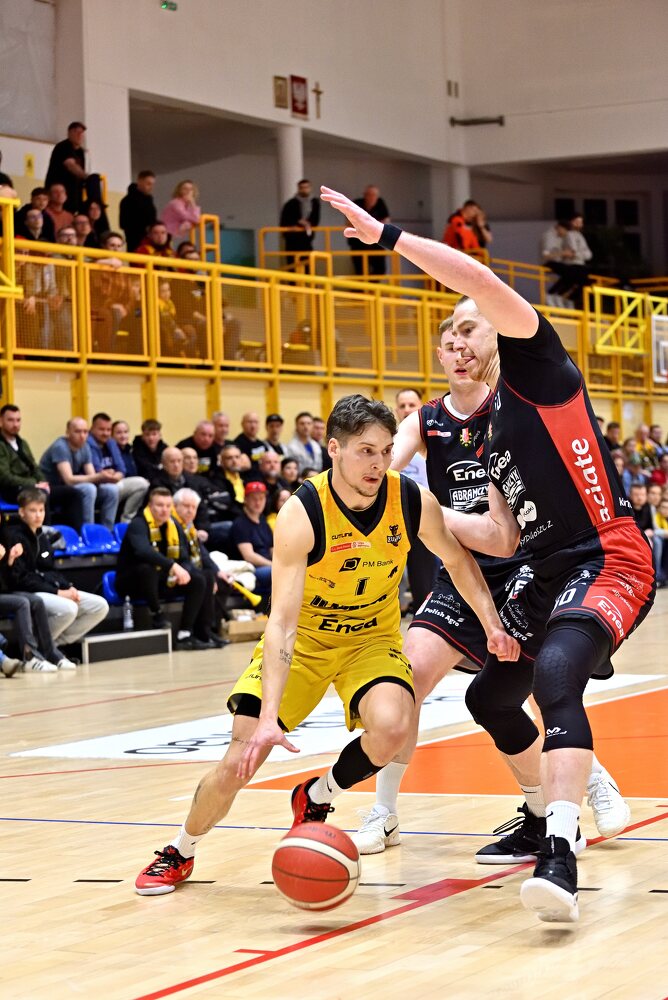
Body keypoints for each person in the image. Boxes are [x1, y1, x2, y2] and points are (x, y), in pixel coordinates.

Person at [322, 184, 655, 923]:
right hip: (538, 567)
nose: (462, 338)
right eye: (451, 333)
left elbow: (475, 277)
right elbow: (500, 534)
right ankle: (537, 812)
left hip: (608, 554)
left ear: (500, 336)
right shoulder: (485, 429)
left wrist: (388, 237)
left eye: (472, 326)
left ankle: (561, 852)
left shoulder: (541, 369)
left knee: (558, 674)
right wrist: (404, 507)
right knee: (489, 696)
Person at [134, 394, 518, 895]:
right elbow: (281, 624)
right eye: (365, 451)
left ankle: (318, 794)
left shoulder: (409, 499)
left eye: (385, 451)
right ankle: (180, 850)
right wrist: (269, 717)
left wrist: (491, 624)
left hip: (371, 640)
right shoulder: (302, 512)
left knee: (394, 727)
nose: (378, 463)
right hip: (307, 642)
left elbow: (458, 560)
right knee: (240, 760)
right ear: (334, 449)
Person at [355, 318, 630, 856]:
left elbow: (504, 531)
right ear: (439, 356)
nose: (460, 354)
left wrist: (424, 513)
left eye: (468, 342)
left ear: (486, 349)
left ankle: (592, 781)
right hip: (461, 572)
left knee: (531, 689)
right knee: (406, 681)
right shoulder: (426, 420)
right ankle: (384, 812)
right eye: (449, 346)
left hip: (522, 569)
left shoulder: (510, 411)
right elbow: (385, 464)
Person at [7, 488, 109, 665]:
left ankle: (50, 647)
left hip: (49, 588)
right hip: (28, 592)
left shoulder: (42, 536)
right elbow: (23, 578)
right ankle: (38, 650)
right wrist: (57, 592)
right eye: (33, 510)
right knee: (68, 609)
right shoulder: (13, 536)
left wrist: (67, 586)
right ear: (22, 512)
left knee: (99, 606)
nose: (38, 515)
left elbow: (50, 569)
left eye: (41, 510)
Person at [115, 487, 212, 648]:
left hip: (161, 581)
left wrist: (184, 571)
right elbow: (143, 551)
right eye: (160, 505)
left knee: (199, 579)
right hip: (131, 583)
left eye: (168, 506)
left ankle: (185, 634)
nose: (164, 510)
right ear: (150, 506)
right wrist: (172, 566)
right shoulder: (138, 524)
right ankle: (157, 615)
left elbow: (183, 557)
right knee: (148, 568)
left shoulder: (173, 525)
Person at [0, 404, 83, 530]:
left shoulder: (22, 443)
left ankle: (74, 534)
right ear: (1, 421)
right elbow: (5, 477)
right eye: (10, 420)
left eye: (18, 420)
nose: (15, 424)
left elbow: (35, 467)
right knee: (41, 494)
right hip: (12, 489)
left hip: (32, 486)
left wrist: (43, 482)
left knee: (73, 493)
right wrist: (34, 484)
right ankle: (44, 533)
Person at [172, 488, 231, 647]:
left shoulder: (190, 527)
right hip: (175, 574)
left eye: (193, 507)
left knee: (222, 581)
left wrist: (218, 571)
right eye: (186, 506)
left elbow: (203, 554)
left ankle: (208, 630)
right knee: (204, 578)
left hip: (190, 571)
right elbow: (182, 558)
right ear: (175, 506)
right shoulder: (173, 525)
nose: (190, 510)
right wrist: (209, 576)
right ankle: (188, 632)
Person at [40, 417, 119, 529]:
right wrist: (99, 476)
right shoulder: (60, 447)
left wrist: (104, 476)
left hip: (71, 488)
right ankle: (88, 530)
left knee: (111, 490)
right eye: (77, 431)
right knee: (89, 488)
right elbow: (69, 480)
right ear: (68, 432)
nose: (82, 436)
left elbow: (92, 476)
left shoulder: (85, 446)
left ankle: (107, 531)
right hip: (53, 488)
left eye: (85, 432)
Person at [0, 540, 64, 673]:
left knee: (36, 601)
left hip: (5, 592)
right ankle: (30, 657)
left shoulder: (4, 541)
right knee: (22, 603)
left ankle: (50, 653)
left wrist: (10, 560)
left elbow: (9, 582)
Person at [88, 412, 149, 522]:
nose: (105, 433)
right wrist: (110, 476)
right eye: (101, 429)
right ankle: (107, 528)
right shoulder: (88, 444)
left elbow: (121, 468)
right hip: (98, 486)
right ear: (92, 429)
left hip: (114, 481)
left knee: (143, 483)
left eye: (108, 430)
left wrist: (116, 476)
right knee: (112, 489)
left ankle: (127, 520)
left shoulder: (111, 442)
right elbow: (97, 471)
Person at [44, 121, 102, 213]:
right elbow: (71, 165)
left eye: (81, 133)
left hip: (74, 195)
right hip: (59, 192)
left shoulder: (81, 152)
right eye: (76, 132)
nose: (80, 135)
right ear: (69, 133)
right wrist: (87, 177)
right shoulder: (63, 146)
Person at [229, 481, 273, 597]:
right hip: (250, 569)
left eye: (261, 498)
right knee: (277, 573)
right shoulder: (240, 524)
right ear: (246, 500)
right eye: (254, 499)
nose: (258, 502)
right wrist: (273, 565)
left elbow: (272, 549)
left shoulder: (263, 522)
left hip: (268, 566)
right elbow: (249, 556)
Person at [347, 185, 390, 276]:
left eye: (374, 195)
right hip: (358, 243)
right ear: (364, 195)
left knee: (380, 270)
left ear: (377, 197)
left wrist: (370, 227)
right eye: (369, 195)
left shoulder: (380, 204)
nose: (371, 197)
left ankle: (371, 285)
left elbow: (386, 221)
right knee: (360, 272)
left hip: (377, 243)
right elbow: (349, 222)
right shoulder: (357, 204)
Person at [279, 179, 320, 264]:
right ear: (298, 189)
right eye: (302, 188)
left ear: (310, 188)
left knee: (307, 263)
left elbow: (315, 219)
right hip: (293, 240)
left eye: (306, 187)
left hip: (307, 239)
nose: (304, 190)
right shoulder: (290, 204)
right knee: (292, 264)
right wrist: (299, 222)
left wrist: (307, 224)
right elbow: (285, 220)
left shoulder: (315, 203)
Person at [119, 171, 157, 253]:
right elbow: (123, 223)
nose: (151, 187)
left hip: (150, 243)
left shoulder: (149, 201)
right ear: (140, 181)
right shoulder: (127, 201)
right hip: (135, 244)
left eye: (152, 184)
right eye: (148, 183)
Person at [161, 180, 201, 246]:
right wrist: (193, 203)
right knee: (188, 223)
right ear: (179, 191)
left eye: (191, 189)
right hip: (169, 235)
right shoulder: (176, 203)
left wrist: (192, 204)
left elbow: (196, 219)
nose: (188, 191)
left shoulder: (187, 205)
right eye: (185, 189)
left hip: (177, 236)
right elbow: (195, 219)